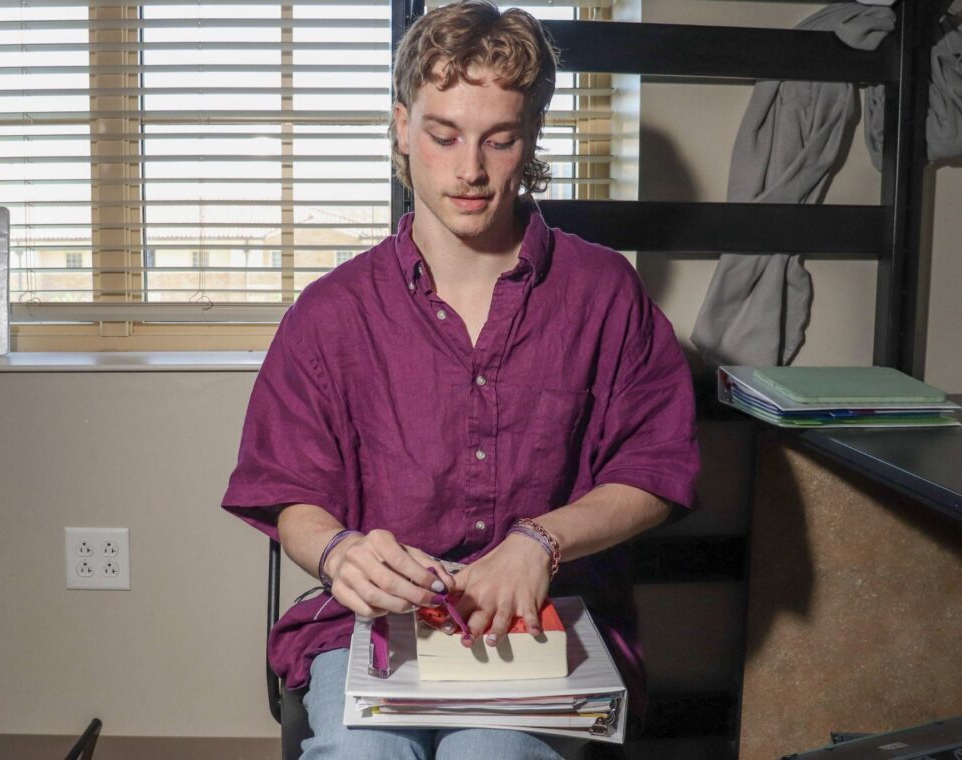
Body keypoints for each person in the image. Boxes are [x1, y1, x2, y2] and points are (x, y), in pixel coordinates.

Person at [223, 1, 699, 757]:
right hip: (366, 629)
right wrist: (342, 551)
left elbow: (657, 470)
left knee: (492, 751)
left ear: (531, 138)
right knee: (361, 753)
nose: (470, 170)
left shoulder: (605, 293)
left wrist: (540, 542)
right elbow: (289, 496)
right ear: (400, 128)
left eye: (499, 139)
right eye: (443, 136)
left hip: (544, 624)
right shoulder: (329, 312)